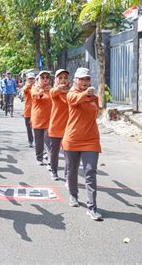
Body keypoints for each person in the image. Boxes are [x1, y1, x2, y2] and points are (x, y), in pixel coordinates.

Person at [62, 67, 103, 221]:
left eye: (87, 79)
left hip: (91, 140)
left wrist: (90, 96)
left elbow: (95, 112)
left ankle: (92, 207)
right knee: (72, 170)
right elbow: (74, 101)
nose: (85, 82)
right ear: (75, 81)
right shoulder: (71, 94)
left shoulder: (94, 97)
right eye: (81, 79)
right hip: (72, 139)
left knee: (90, 171)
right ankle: (73, 194)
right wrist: (85, 94)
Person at [48, 69, 70, 181]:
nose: (63, 80)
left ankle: (67, 175)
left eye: (65, 77)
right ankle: (54, 171)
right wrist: (58, 88)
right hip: (55, 128)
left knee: (68, 154)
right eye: (60, 78)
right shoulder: (54, 92)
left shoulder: (72, 93)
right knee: (54, 152)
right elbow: (52, 92)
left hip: (69, 129)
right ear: (56, 80)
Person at [31, 71, 52, 166]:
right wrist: (41, 92)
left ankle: (50, 159)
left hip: (49, 119)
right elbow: (35, 95)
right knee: (38, 141)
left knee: (48, 140)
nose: (45, 79)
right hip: (37, 119)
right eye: (42, 77)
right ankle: (39, 157)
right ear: (38, 79)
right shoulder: (35, 88)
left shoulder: (52, 90)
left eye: (47, 77)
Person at [22, 73, 35, 148]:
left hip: (36, 113)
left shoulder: (38, 87)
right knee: (29, 128)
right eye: (30, 79)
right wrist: (28, 85)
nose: (31, 80)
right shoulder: (26, 88)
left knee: (37, 129)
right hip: (27, 112)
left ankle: (39, 142)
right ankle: (30, 141)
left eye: (32, 79)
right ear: (27, 79)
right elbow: (24, 89)